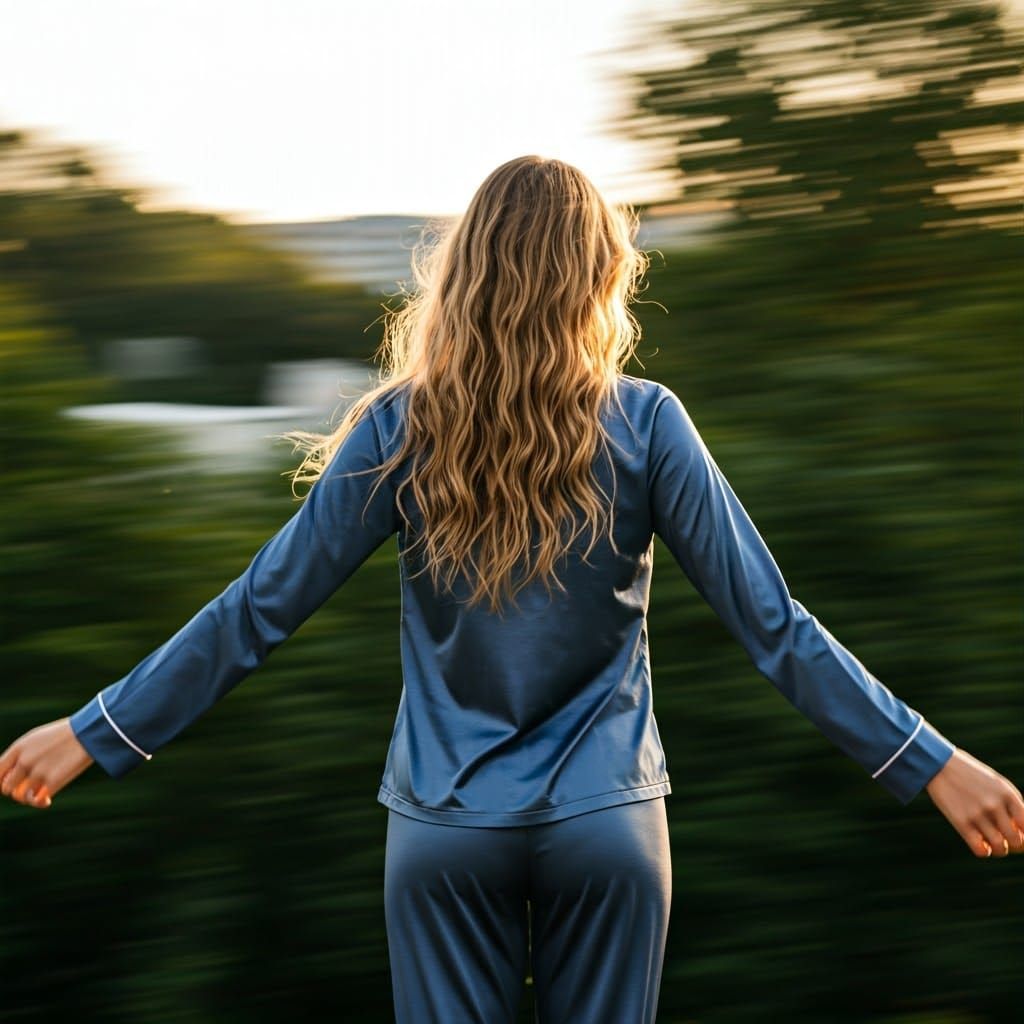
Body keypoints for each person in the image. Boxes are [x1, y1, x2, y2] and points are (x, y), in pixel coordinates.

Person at [2, 155, 1021, 1024]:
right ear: (600, 279)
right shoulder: (648, 422)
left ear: (466, 273)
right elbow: (774, 627)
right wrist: (930, 763)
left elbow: (257, 609)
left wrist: (94, 730)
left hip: (443, 831)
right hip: (608, 823)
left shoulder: (399, 427)